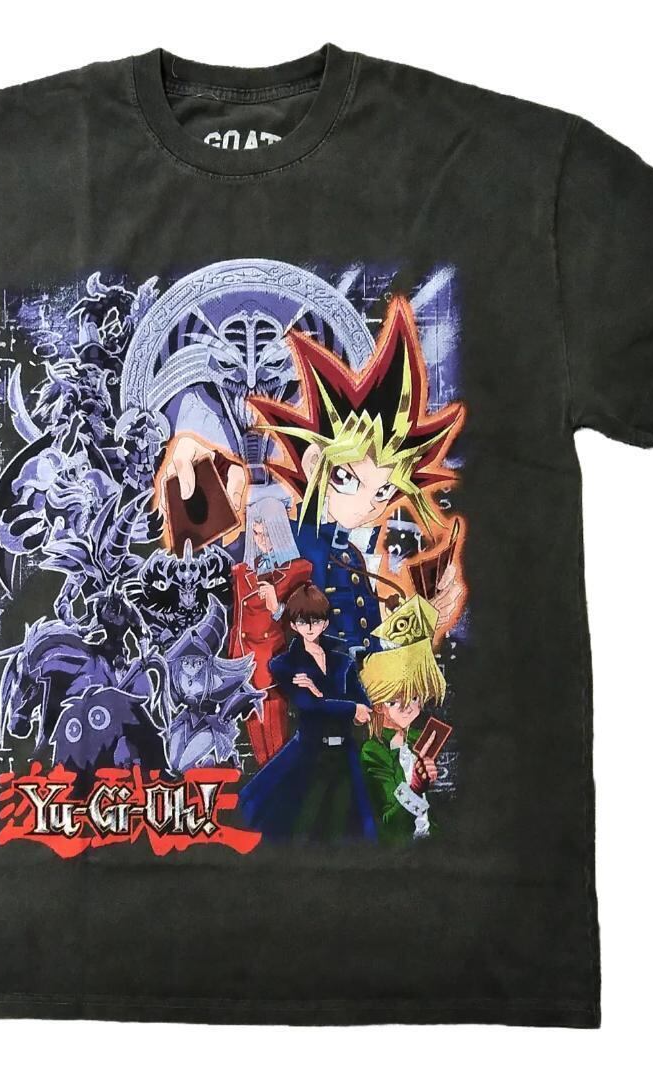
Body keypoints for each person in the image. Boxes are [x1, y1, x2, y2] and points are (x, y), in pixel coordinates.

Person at [159, 297, 467, 661]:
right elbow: (222, 572)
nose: (369, 504)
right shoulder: (292, 538)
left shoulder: (351, 552)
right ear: (314, 462)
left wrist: (423, 621)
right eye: (348, 478)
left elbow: (370, 643)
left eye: (384, 491)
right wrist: (192, 476)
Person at [238, 583, 377, 842]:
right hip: (309, 754)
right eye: (303, 621)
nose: (310, 627)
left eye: (316, 620)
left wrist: (320, 693)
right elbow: (309, 706)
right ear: (293, 624)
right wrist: (346, 707)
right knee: (302, 829)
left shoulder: (342, 658)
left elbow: (363, 705)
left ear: (325, 623)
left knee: (353, 832)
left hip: (345, 754)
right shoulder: (285, 664)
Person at [228, 498, 312, 765]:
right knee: (257, 742)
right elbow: (238, 621)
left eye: (267, 533)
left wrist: (278, 608)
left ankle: (281, 783)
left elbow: (307, 622)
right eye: (256, 533)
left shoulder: (297, 571)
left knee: (276, 743)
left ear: (279, 531)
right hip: (244, 667)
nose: (261, 540)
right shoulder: (242, 571)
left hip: (273, 665)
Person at [358, 595, 447, 842]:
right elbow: (390, 827)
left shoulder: (422, 739)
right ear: (378, 706)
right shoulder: (374, 751)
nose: (407, 707)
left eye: (415, 697)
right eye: (394, 701)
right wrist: (415, 786)